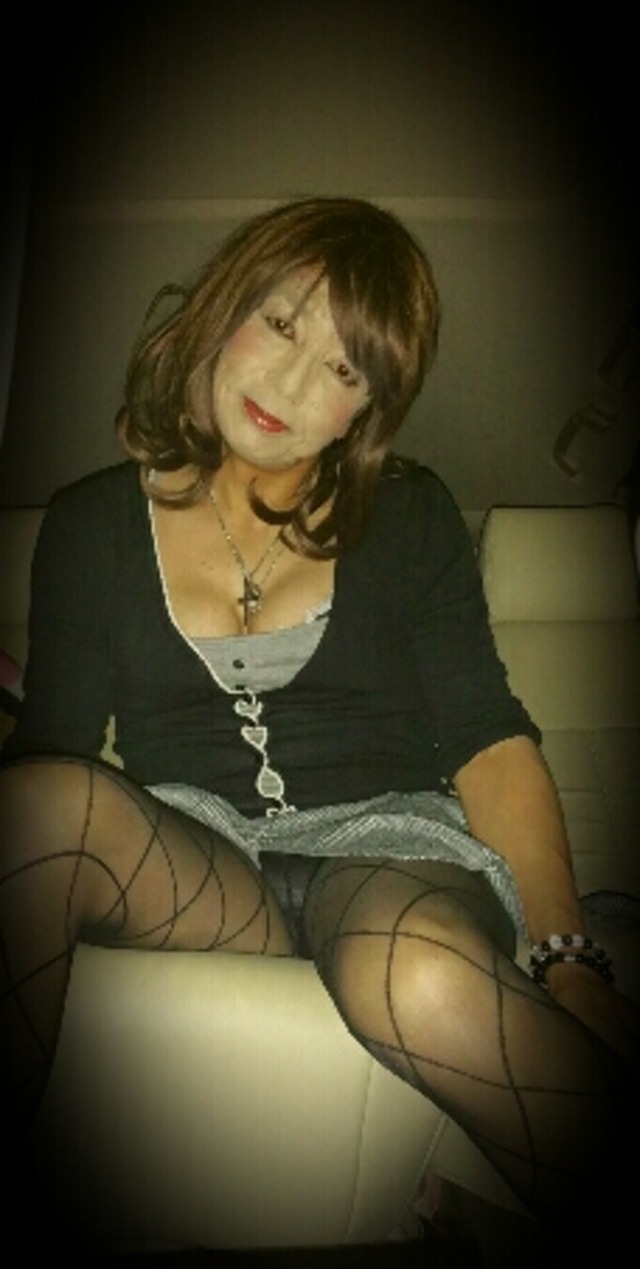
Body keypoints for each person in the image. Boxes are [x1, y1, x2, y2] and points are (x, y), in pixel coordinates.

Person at [1, 197, 638, 1245]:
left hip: (389, 849)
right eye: (281, 323)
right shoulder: (87, 524)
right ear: (224, 310)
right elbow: (55, 753)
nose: (294, 386)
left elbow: (487, 739)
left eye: (344, 369)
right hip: (202, 858)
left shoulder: (411, 512)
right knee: (29, 812)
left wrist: (566, 955)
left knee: (419, 975)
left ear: (365, 412)